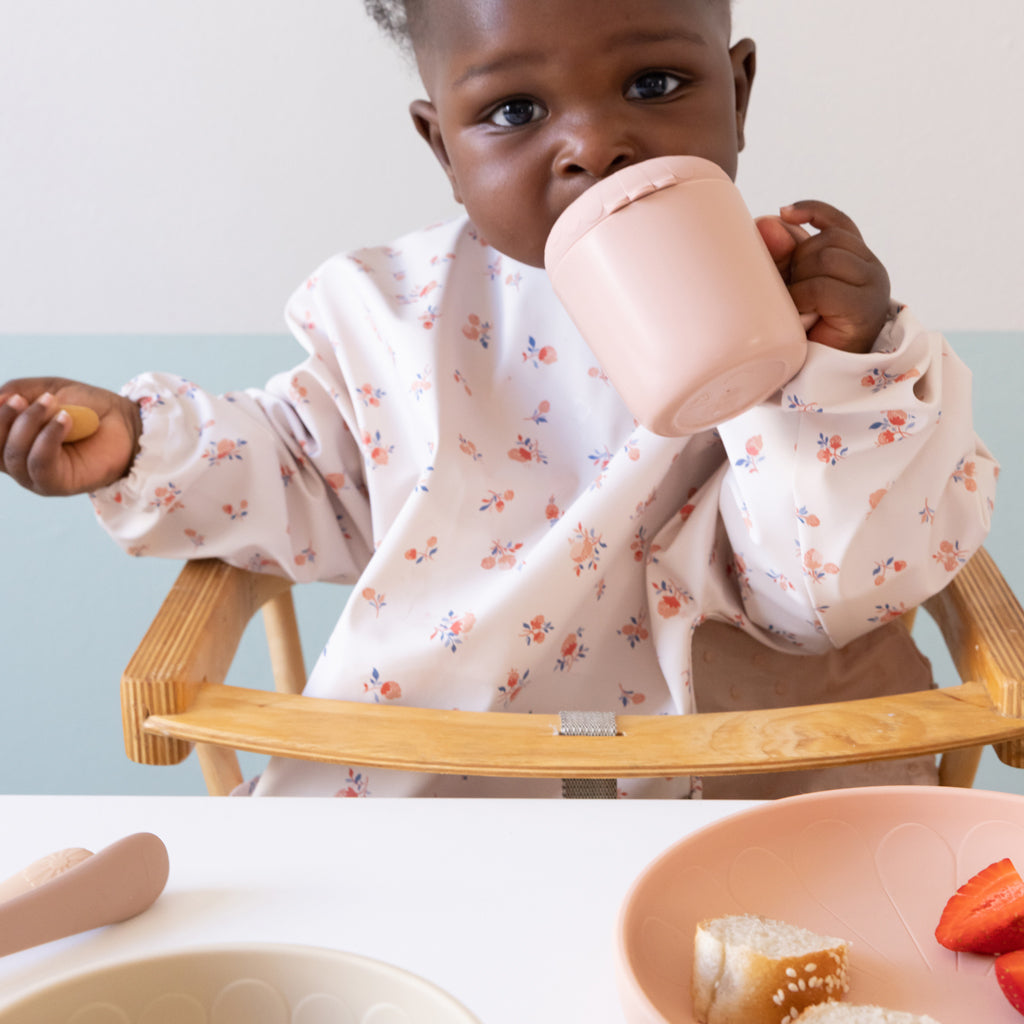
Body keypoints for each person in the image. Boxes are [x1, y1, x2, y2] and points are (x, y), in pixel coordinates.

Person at [0, 0, 997, 797]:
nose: (594, 144)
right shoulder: (393, 317)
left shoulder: (804, 306)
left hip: (736, 789)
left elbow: (841, 590)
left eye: (654, 84)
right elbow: (297, 469)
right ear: (443, 145)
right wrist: (140, 445)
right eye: (516, 111)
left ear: (735, 92)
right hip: (444, 788)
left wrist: (842, 376)